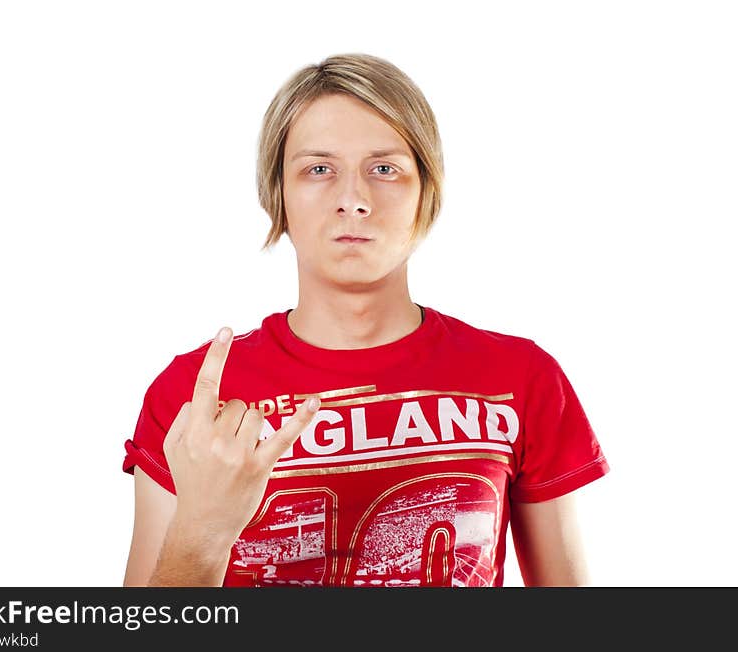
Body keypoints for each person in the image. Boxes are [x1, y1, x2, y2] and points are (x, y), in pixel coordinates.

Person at [121, 53, 609, 587]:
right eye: (318, 169)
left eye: (384, 169)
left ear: (425, 190)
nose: (353, 200)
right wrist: (202, 532)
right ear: (278, 194)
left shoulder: (522, 378)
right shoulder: (190, 398)